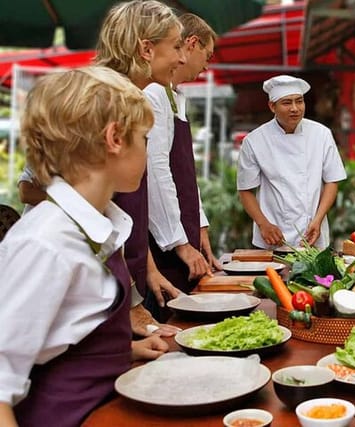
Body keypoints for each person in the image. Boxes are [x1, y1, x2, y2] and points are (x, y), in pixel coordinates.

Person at [0, 66, 168, 427]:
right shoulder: (46, 241)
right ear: (115, 139)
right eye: (144, 138)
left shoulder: (98, 223)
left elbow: (67, 335)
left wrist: (127, 352)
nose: (146, 150)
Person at [95, 0, 186, 333]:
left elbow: (119, 211)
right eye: (176, 46)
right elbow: (85, 207)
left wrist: (146, 271)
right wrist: (130, 300)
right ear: (146, 49)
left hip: (124, 278)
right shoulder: (96, 100)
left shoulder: (132, 99)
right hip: (96, 287)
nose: (183, 58)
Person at [145, 13, 223, 317]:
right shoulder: (153, 94)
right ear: (192, 43)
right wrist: (179, 242)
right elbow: (157, 172)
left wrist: (199, 225)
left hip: (180, 233)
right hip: (162, 245)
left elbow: (184, 173)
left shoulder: (174, 96)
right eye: (207, 54)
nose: (207, 65)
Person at [237, 75, 346, 249]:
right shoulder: (254, 141)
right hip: (272, 236)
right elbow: (245, 190)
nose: (295, 108)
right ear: (272, 106)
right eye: (287, 103)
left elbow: (332, 180)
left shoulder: (321, 134)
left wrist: (318, 220)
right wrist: (263, 224)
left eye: (299, 101)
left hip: (312, 233)